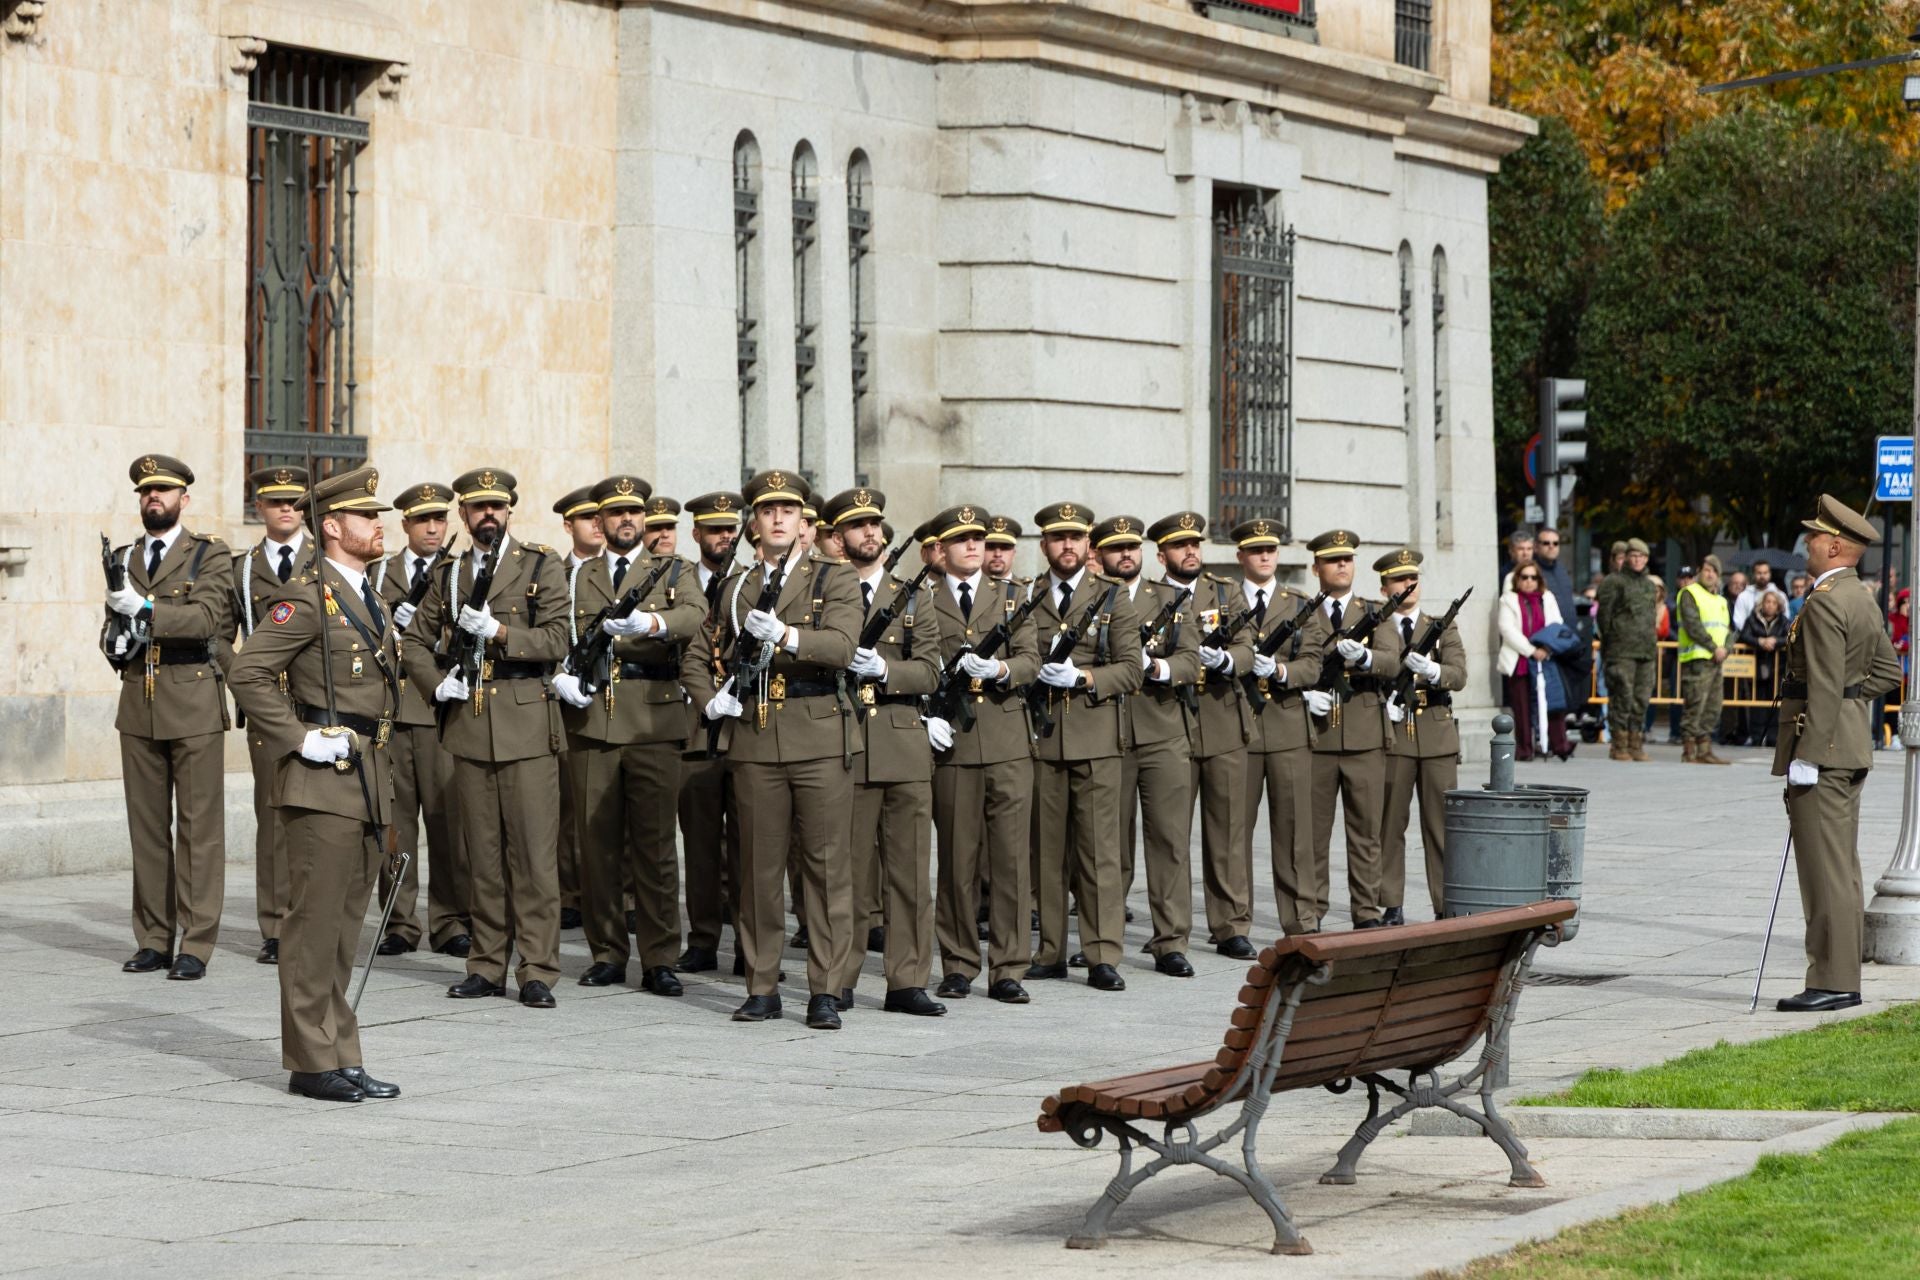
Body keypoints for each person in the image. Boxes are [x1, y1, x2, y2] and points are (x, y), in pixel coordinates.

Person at [226, 464, 402, 1103]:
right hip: (321, 778)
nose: (378, 525)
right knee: (312, 926)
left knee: (345, 928)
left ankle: (340, 1052)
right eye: (366, 516)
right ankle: (308, 1061)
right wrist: (298, 737)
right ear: (332, 527)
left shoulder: (370, 597)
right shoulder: (304, 597)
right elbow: (247, 673)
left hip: (367, 777)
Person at [683, 470, 861, 1030]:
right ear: (754, 523)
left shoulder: (834, 576)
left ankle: (825, 990)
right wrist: (711, 700)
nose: (778, 518)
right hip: (756, 738)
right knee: (758, 871)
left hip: (819, 735)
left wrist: (787, 636)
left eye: (788, 510)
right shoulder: (735, 587)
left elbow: (843, 646)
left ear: (803, 520)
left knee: (825, 870)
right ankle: (762, 986)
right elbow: (699, 653)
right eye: (767, 510)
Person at [403, 467, 570, 1010]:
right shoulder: (449, 573)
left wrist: (499, 632)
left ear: (509, 511)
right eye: (478, 507)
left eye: (496, 506)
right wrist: (437, 685)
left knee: (534, 858)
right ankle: (486, 964)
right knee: (482, 856)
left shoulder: (540, 564)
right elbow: (412, 642)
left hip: (527, 723)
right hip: (471, 723)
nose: (488, 515)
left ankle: (538, 969)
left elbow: (558, 639)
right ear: (465, 514)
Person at [551, 474, 707, 997]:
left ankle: (660, 957)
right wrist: (559, 676)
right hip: (593, 719)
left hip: (652, 721)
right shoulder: (575, 575)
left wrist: (651, 624)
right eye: (616, 513)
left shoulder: (674, 570)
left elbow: (694, 614)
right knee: (596, 847)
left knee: (655, 846)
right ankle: (607, 952)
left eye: (634, 512)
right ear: (599, 521)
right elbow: (555, 632)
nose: (627, 520)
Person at [1771, 494, 1903, 1012]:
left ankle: (1831, 981)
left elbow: (1824, 684)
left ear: (1833, 546)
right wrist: (1851, 704)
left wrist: (1810, 751)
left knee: (1823, 871)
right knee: (1841, 867)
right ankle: (1840, 976)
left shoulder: (1826, 600)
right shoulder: (1860, 596)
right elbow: (1887, 671)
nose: (1806, 543)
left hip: (1823, 751)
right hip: (1846, 744)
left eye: (1813, 536)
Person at [108, 455, 234, 980]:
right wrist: (113, 642)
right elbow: (113, 625)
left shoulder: (208, 554)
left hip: (193, 698)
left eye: (162, 490)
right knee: (147, 830)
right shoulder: (124, 556)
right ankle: (153, 939)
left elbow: (206, 619)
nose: (152, 498)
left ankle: (196, 943)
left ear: (184, 498)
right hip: (139, 700)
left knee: (199, 829)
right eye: (146, 491)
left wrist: (143, 609)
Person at [827, 488, 948, 1015]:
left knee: (909, 873)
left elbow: (931, 671)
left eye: (875, 524)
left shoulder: (913, 596)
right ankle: (840, 976)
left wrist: (885, 670)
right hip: (846, 743)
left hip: (902, 744)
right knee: (847, 874)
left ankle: (907, 980)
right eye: (858, 526)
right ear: (838, 538)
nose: (870, 533)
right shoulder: (824, 591)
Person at [1024, 502, 1144, 991]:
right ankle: (1051, 950)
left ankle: (1101, 954)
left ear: (1087, 544)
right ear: (1044, 546)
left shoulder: (1112, 595)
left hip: (1096, 738)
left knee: (1098, 852)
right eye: (1058, 538)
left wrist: (1085, 677)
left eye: (1075, 537)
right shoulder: (1027, 595)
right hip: (1044, 737)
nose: (1067, 545)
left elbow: (1132, 669)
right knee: (1047, 853)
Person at [929, 507, 1040, 1004]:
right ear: (941, 549)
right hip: (953, 741)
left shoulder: (1012, 597)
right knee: (958, 860)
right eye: (962, 540)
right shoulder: (925, 600)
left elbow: (1031, 660)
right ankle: (958, 963)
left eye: (979, 538)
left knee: (1011, 861)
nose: (974, 546)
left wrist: (998, 669)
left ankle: (1009, 967)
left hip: (1007, 740)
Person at [370, 481, 471, 958]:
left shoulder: (459, 573)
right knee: (395, 825)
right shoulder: (379, 572)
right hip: (391, 710)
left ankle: (451, 921)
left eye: (440, 519)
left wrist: (429, 634)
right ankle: (398, 921)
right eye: (423, 520)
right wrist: (390, 624)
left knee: (447, 822)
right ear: (405, 524)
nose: (433, 528)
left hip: (438, 709)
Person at [1097, 514, 1200, 978]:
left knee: (1170, 840)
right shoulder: (1093, 599)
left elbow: (1191, 661)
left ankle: (1171, 941)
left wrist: (1156, 667)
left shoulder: (1170, 598)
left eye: (1132, 547)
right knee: (1107, 845)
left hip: (1162, 731)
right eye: (1116, 547)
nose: (1126, 554)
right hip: (1108, 732)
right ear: (1100, 554)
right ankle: (1104, 939)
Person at [1154, 511, 1257, 958]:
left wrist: (1227, 661)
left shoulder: (1225, 592)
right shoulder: (1149, 597)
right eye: (1180, 546)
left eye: (1195, 543)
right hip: (1167, 719)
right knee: (1171, 835)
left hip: (1221, 720)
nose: (1191, 551)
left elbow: (1247, 647)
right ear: (1162, 555)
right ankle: (1172, 933)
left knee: (1227, 830)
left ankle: (1230, 925)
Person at [229, 465, 311, 965]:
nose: (285, 509)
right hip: (268, 708)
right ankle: (277, 926)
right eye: (275, 501)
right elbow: (221, 635)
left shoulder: (324, 561)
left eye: (294, 502)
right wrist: (245, 678)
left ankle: (314, 918)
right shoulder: (242, 568)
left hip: (316, 701)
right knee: (273, 816)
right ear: (258, 507)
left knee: (320, 815)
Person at [1224, 517, 1317, 938]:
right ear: (1240, 555)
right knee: (1233, 830)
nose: (1265, 556)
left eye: (1271, 550)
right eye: (1256, 550)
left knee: (1294, 831)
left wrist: (1280, 670)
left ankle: (1301, 919)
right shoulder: (1224, 601)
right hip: (1237, 725)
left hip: (1286, 727)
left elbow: (1313, 664)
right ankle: (1233, 924)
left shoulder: (1298, 604)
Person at [1304, 529, 1402, 928]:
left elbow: (1393, 662)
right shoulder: (1304, 612)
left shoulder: (1374, 612)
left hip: (1364, 734)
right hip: (1317, 736)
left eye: (1347, 558)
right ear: (1316, 568)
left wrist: (1365, 657)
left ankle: (1365, 910)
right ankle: (1311, 910)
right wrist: (1305, 692)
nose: (1342, 564)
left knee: (1366, 832)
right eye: (1332, 559)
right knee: (1312, 834)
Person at [1373, 549, 1466, 919]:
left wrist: (1433, 670)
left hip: (1436, 733)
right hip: (1395, 732)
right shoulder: (1376, 627)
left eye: (1412, 578)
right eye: (1399, 579)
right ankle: (1391, 903)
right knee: (1390, 823)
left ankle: (1445, 904)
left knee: (1441, 826)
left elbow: (1459, 674)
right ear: (1384, 589)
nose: (1408, 585)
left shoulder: (1441, 626)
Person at [675, 491, 745, 974]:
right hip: (693, 727)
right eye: (714, 529)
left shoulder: (752, 583)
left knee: (748, 844)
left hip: (743, 728)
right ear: (696, 533)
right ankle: (702, 939)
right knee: (700, 844)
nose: (724, 537)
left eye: (730, 529)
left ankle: (748, 945)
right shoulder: (677, 582)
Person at [552, 485, 602, 932]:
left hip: (613, 698)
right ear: (569, 526)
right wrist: (557, 675)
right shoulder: (555, 573)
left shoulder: (620, 573)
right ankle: (570, 892)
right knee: (569, 805)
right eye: (587, 518)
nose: (597, 525)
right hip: (565, 702)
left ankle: (619, 895)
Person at [1595, 537, 1659, 760]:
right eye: (1633, 556)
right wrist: (1611, 639)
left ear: (1647, 559)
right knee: (1622, 696)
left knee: (1641, 698)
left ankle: (1635, 743)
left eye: (1642, 556)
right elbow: (1604, 616)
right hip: (1621, 650)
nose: (1637, 560)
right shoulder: (1614, 582)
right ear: (1626, 557)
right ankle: (1619, 744)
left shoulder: (1649, 585)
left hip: (1646, 650)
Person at [1498, 561, 1568, 761]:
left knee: (1552, 701)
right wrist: (1531, 650)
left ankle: (1558, 745)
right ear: (1517, 580)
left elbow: (1556, 624)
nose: (1529, 581)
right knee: (1521, 707)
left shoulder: (1547, 598)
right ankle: (1525, 749)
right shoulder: (1508, 599)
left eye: (1533, 577)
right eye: (1524, 577)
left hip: (1545, 658)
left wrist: (1545, 648)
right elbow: (1507, 629)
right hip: (1519, 660)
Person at [1675, 554, 1732, 765]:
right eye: (1707, 570)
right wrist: (1714, 648)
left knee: (1713, 705)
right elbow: (1693, 625)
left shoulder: (1721, 600)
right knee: (1695, 704)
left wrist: (1726, 649)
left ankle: (1704, 749)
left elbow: (1727, 630)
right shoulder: (1689, 593)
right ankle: (1689, 751)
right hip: (1698, 658)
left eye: (1714, 571)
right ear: (1699, 571)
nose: (1710, 574)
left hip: (1716, 660)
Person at [1741, 588, 1789, 746]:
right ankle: (1757, 736)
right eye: (1767, 602)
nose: (1770, 605)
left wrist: (1776, 641)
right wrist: (1760, 641)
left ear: (1778, 606)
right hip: (1757, 666)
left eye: (1774, 602)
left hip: (1777, 668)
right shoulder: (1752, 619)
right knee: (1757, 703)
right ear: (1762, 604)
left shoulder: (1784, 621)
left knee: (1775, 703)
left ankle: (1773, 737)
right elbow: (1744, 635)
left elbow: (1790, 637)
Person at [1530, 525, 1577, 628]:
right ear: (1536, 547)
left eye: (1555, 543)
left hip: (1569, 631)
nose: (1551, 546)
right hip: (1547, 632)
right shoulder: (1531, 572)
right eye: (1546, 543)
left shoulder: (1561, 569)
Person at [983, 515, 1022, 582]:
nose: (997, 554)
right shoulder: (966, 587)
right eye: (990, 547)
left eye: (1005, 548)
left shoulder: (1028, 588)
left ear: (1013, 553)